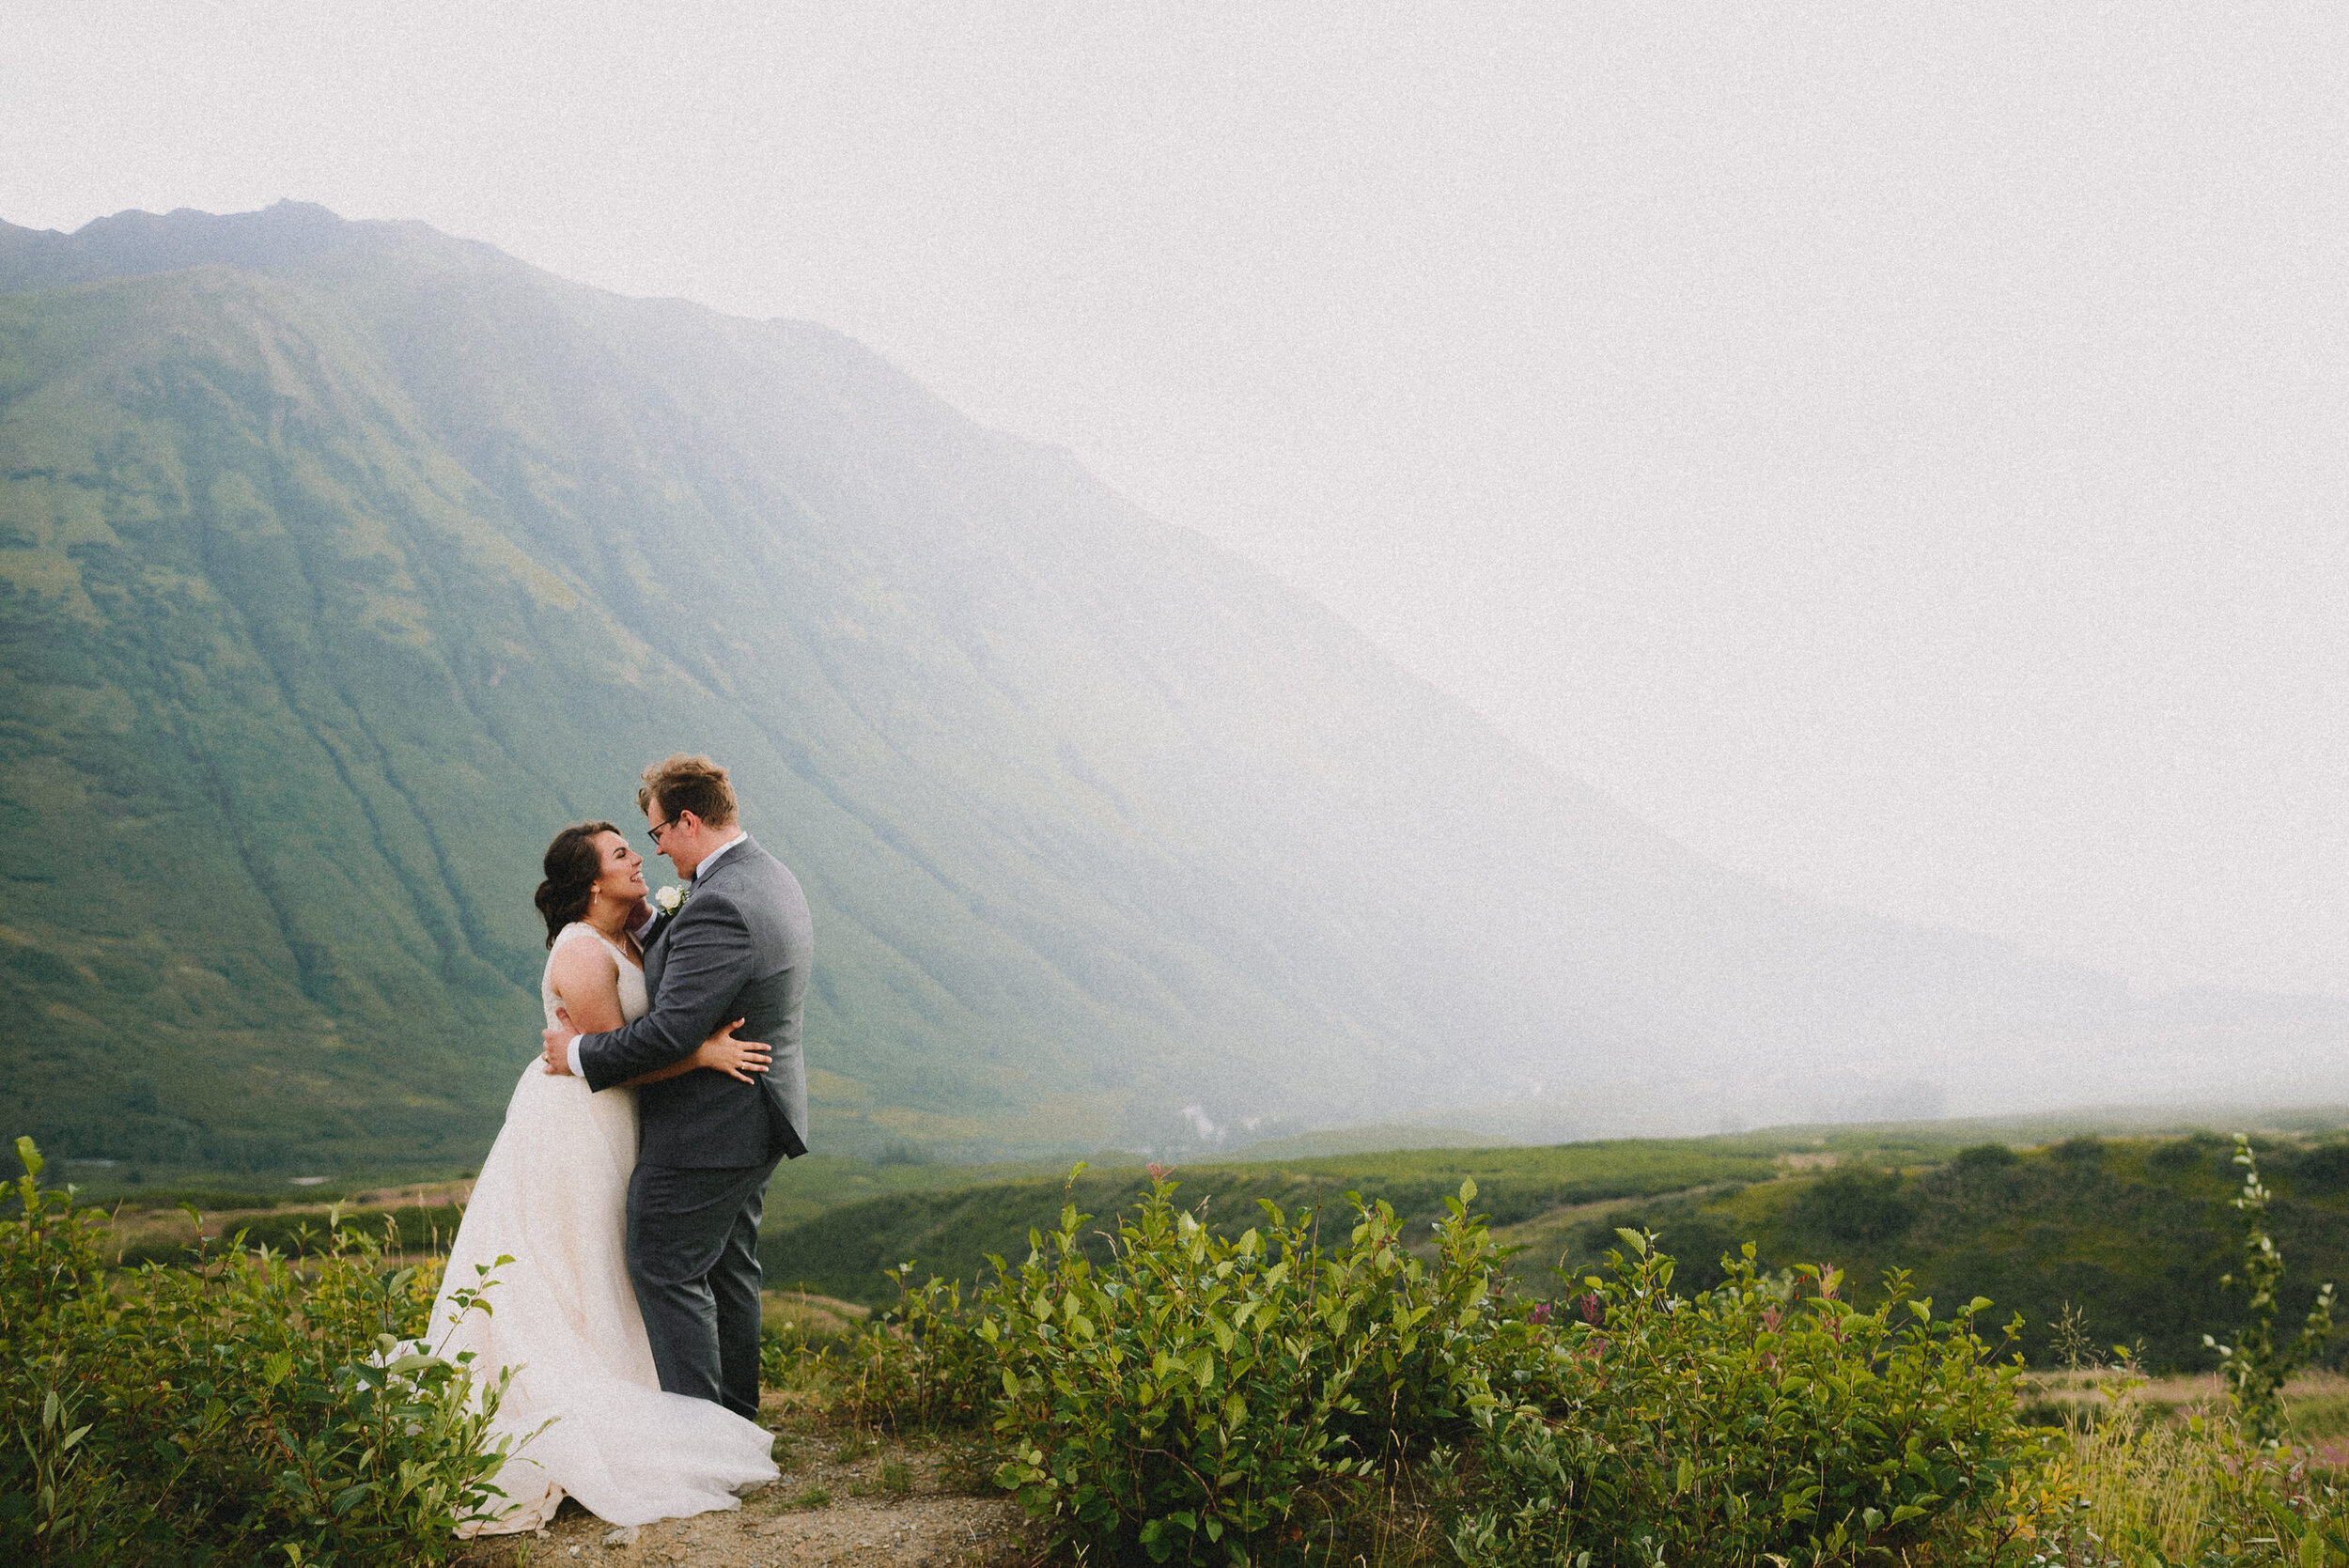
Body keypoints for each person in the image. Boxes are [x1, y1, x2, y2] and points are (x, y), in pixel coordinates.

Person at [421, 819, 780, 1536]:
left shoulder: (633, 932)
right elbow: (620, 1054)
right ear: (592, 883)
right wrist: (705, 1054)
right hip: (578, 1119)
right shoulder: (582, 954)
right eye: (621, 854)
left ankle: (664, 1400)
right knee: (580, 1259)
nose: (638, 859)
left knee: (617, 1259)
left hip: (619, 1118)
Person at [541, 753, 813, 1423]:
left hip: (709, 1128)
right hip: (755, 1113)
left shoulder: (720, 901)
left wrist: (576, 1050)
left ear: (689, 819)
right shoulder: (764, 875)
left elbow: (666, 1034)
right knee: (727, 1269)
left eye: (659, 832)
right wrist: (647, 925)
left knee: (663, 1263)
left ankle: (700, 1444)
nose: (655, 849)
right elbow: (704, 962)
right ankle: (737, 1426)